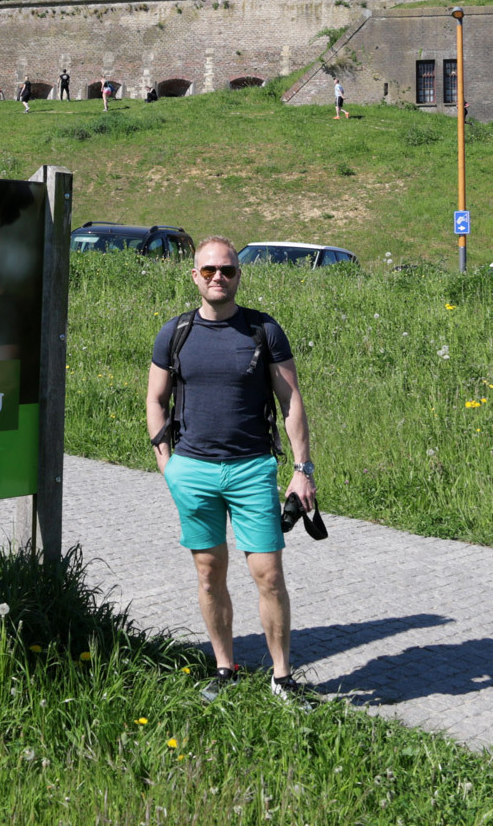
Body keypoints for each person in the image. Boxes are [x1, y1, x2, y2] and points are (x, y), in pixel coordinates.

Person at [146, 237, 316, 704]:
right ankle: (225, 668)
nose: (217, 277)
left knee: (269, 575)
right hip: (193, 472)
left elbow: (291, 401)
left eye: (227, 270)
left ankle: (282, 678)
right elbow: (155, 400)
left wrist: (303, 469)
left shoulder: (264, 330)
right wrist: (168, 465)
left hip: (251, 470)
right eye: (208, 271)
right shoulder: (175, 332)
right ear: (194, 275)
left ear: (239, 275)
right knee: (207, 572)